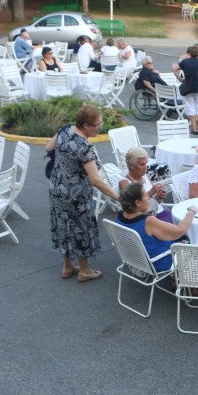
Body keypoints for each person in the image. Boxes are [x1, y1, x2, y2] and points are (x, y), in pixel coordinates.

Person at [47, 105, 118, 281]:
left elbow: (48, 148)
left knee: (64, 226)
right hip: (76, 195)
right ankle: (84, 271)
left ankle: (67, 266)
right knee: (81, 229)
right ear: (86, 125)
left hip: (57, 188)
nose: (100, 127)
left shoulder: (64, 130)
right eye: (97, 125)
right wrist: (117, 197)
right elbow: (95, 180)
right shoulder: (84, 148)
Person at [115, 183, 193, 273]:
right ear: (137, 203)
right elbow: (180, 231)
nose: (148, 199)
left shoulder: (120, 216)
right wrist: (192, 211)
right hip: (159, 261)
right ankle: (189, 282)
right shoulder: (148, 221)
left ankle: (176, 280)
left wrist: (158, 200)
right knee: (195, 243)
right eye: (145, 196)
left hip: (137, 261)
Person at [117, 147, 170, 221]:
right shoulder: (125, 183)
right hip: (144, 219)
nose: (146, 167)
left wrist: (159, 197)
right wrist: (151, 192)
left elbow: (153, 202)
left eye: (146, 163)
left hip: (157, 212)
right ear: (130, 165)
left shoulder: (145, 177)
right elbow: (133, 208)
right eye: (142, 164)